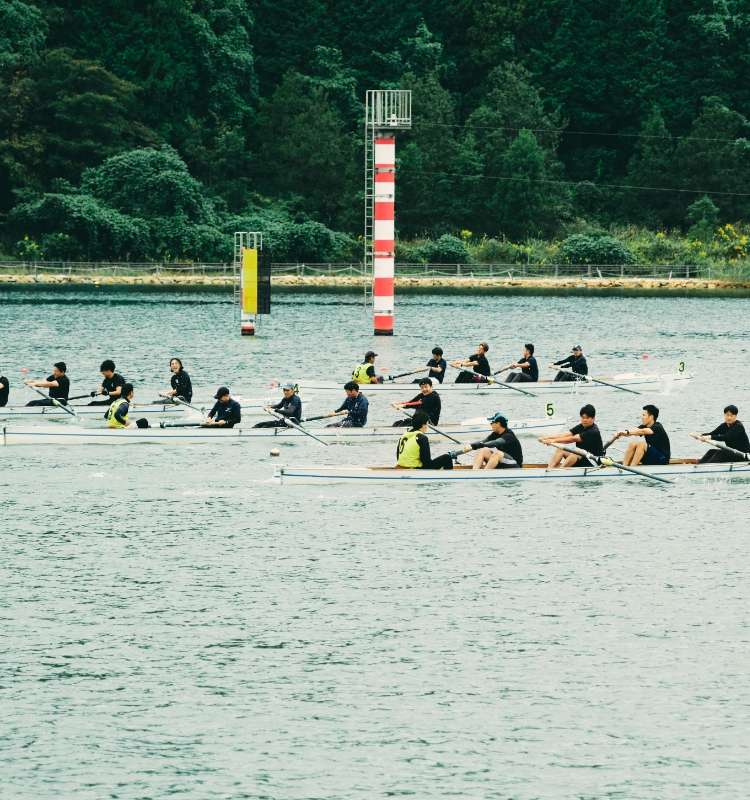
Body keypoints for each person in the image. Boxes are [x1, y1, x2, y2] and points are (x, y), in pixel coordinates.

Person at [540, 403, 605, 468]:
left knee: (575, 453)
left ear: (593, 418)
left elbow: (573, 439)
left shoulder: (594, 431)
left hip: (593, 462)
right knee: (560, 449)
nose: (584, 420)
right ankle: (549, 469)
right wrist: (547, 437)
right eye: (583, 417)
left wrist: (552, 441)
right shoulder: (581, 426)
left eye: (587, 418)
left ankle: (559, 471)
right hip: (582, 458)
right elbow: (565, 435)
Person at [454, 412, 523, 470]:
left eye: (492, 423)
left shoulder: (509, 435)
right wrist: (456, 453)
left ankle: (484, 474)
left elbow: (496, 442)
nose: (491, 425)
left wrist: (480, 445)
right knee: (483, 450)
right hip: (503, 462)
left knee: (497, 454)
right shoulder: (494, 434)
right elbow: (482, 442)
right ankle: (475, 472)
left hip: (515, 465)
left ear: (498, 423)